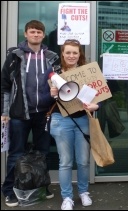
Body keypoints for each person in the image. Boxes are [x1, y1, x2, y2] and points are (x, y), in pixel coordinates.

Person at [1, 20, 58, 207]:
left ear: (43, 35)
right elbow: (5, 86)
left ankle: (41, 187)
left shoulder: (51, 57)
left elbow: (62, 82)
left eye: (39, 32)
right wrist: (4, 111)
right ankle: (9, 191)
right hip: (19, 114)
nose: (36, 35)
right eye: (32, 32)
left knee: (42, 153)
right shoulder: (14, 56)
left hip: (44, 113)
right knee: (16, 153)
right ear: (25, 34)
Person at [49, 39, 99, 210]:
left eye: (75, 53)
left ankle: (84, 192)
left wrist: (95, 106)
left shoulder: (87, 72)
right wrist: (52, 93)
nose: (71, 56)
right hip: (61, 120)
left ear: (80, 55)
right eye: (68, 52)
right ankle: (67, 197)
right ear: (62, 53)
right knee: (65, 161)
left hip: (82, 119)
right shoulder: (54, 72)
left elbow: (99, 96)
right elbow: (43, 97)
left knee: (84, 161)